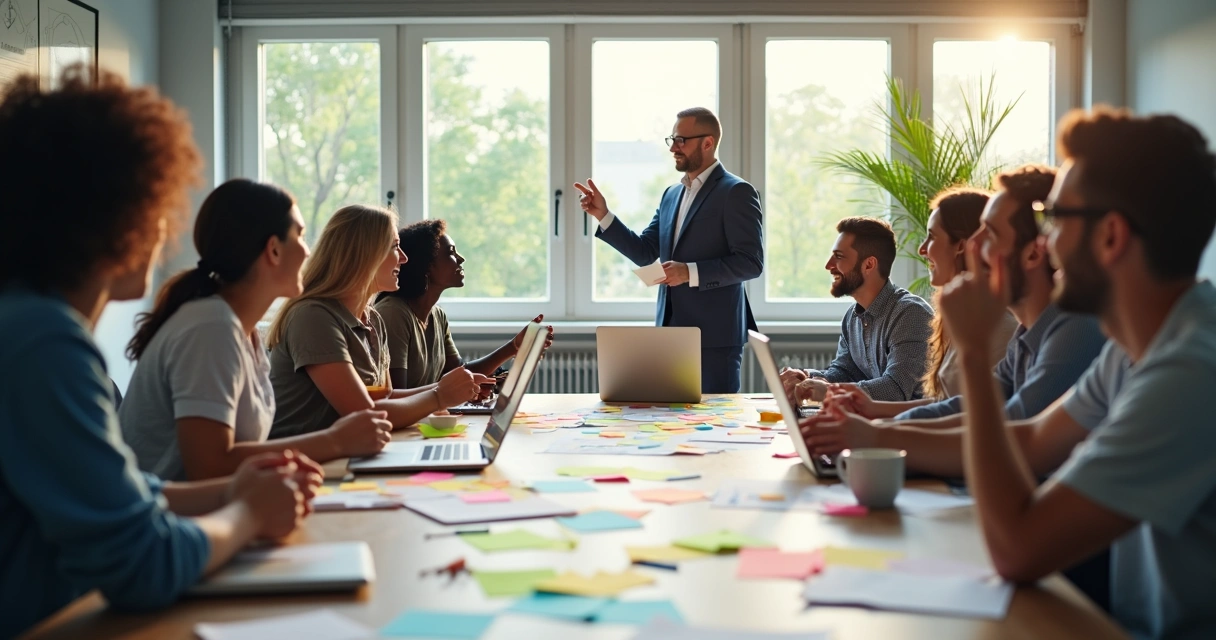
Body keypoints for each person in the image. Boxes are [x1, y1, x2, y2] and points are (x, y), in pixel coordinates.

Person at [0, 68, 317, 638]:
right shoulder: (42, 340)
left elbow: (132, 494)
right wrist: (248, 514)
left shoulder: (25, 323)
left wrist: (237, 491)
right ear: (123, 217)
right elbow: (142, 564)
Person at [940, 108, 1216, 638]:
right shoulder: (1136, 347)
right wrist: (875, 440)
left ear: (1110, 236)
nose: (1044, 244)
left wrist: (973, 353)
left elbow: (1018, 549)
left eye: (1056, 218)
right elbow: (1035, 438)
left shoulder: (1190, 373)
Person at [808, 165, 1107, 445]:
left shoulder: (1072, 332)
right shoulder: (1026, 336)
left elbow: (1010, 437)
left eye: (989, 233)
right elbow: (967, 410)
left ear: (1035, 253)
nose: (974, 247)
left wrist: (877, 436)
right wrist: (875, 421)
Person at [119, 179, 394, 481]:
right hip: (175, 521)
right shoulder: (210, 327)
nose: (307, 252)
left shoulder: (243, 331)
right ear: (273, 250)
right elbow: (209, 465)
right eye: (300, 236)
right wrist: (335, 441)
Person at [574, 107, 764, 393]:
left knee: (716, 426)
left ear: (708, 142)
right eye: (671, 140)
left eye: (681, 140)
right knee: (673, 424)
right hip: (669, 334)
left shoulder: (736, 192)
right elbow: (644, 251)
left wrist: (689, 272)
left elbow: (751, 263)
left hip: (714, 338)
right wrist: (604, 215)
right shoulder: (671, 194)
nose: (674, 148)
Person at [267, 205, 487, 439]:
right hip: (301, 464)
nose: (404, 258)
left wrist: (449, 389)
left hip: (351, 454)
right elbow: (363, 413)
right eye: (395, 247)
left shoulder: (373, 320)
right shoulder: (313, 317)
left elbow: (386, 398)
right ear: (364, 255)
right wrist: (439, 396)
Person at [374, 219, 554, 391]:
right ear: (427, 265)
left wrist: (514, 346)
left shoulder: (437, 316)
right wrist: (450, 393)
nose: (461, 259)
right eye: (451, 252)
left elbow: (459, 372)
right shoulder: (394, 314)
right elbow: (397, 394)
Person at [779, 217, 934, 402]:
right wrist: (805, 378)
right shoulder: (852, 317)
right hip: (879, 422)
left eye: (839, 257)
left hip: (911, 426)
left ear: (869, 265)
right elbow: (845, 371)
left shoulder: (910, 315)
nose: (828, 265)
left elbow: (896, 389)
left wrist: (829, 391)